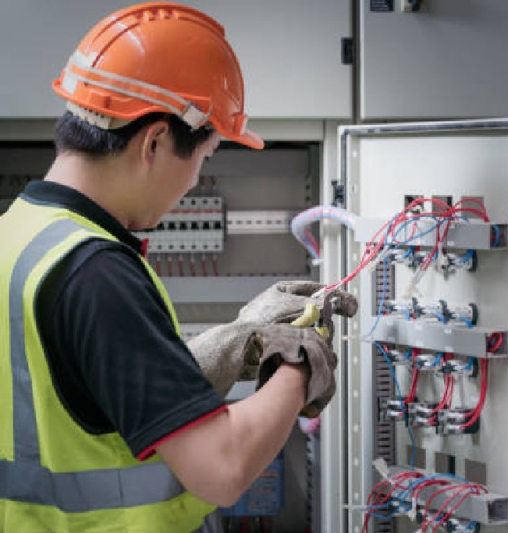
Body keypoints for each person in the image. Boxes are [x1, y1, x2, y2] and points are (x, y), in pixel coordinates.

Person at [0, 3, 354, 531]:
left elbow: (86, 392)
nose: (192, 182)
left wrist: (235, 340)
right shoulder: (95, 272)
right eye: (204, 158)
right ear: (156, 141)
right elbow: (223, 468)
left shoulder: (21, 234)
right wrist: (298, 363)